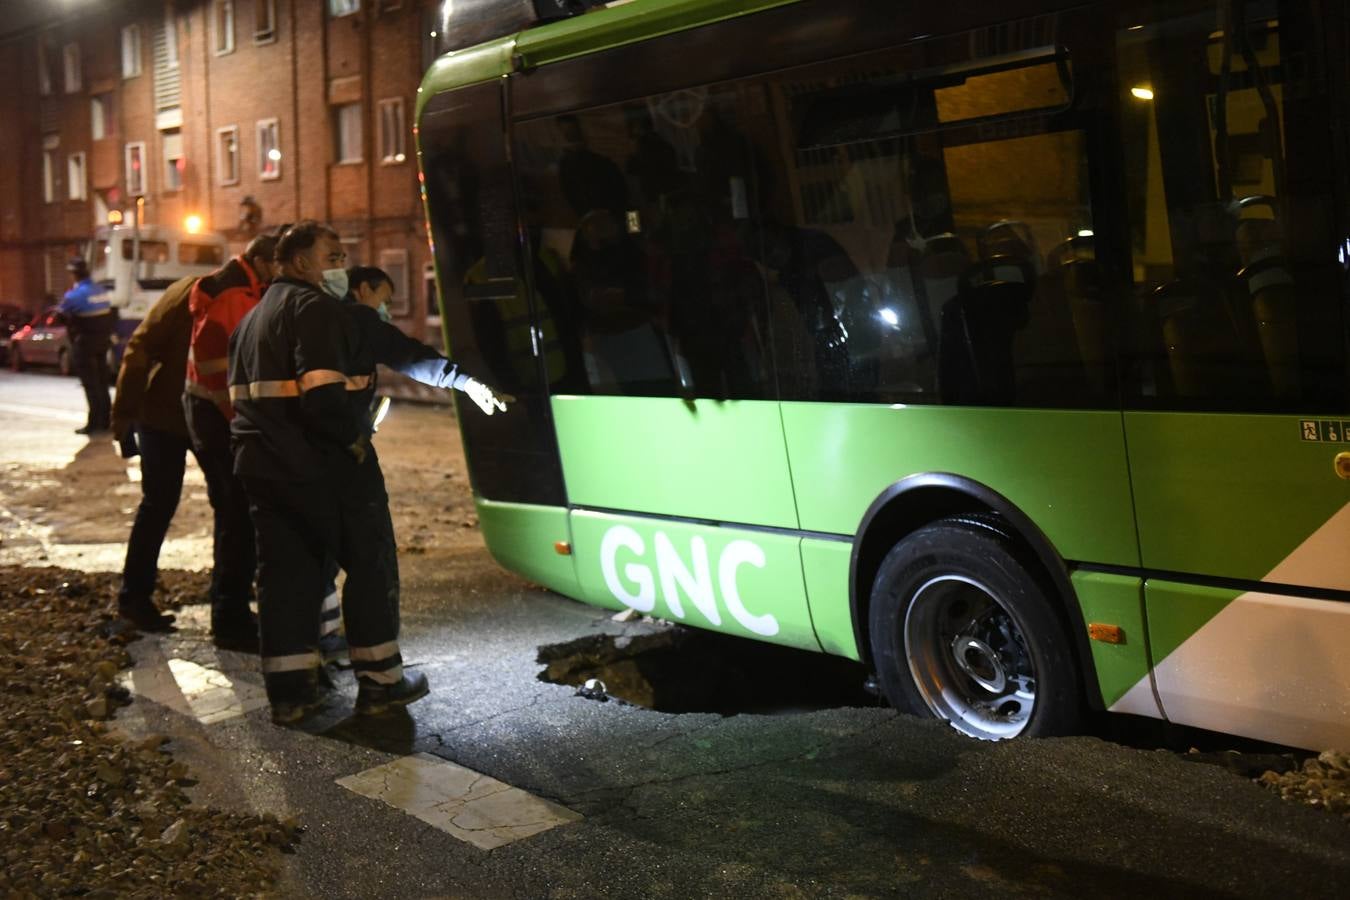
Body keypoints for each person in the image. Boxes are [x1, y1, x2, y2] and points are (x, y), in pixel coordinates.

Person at [228, 222, 507, 724]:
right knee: (371, 564)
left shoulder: (252, 319)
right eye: (332, 256)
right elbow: (323, 391)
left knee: (288, 577)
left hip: (263, 469)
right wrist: (352, 440)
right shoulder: (314, 309)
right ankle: (381, 682)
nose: (342, 265)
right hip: (324, 466)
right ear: (299, 264)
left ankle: (292, 694)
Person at [183, 232, 280, 651]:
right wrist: (244, 424)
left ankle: (231, 606)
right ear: (262, 262)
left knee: (236, 516)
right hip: (218, 421)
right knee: (237, 517)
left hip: (216, 418)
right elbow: (219, 373)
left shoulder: (244, 290)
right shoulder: (233, 297)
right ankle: (230, 617)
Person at [109, 275, 198, 632]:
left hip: (184, 413)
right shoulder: (195, 293)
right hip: (170, 415)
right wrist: (124, 418)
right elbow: (139, 349)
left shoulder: (194, 290)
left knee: (228, 503)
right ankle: (134, 599)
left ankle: (135, 599)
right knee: (160, 504)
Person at [58, 258, 116, 435]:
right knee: (102, 383)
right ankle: (106, 421)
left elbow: (62, 315)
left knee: (91, 385)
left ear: (74, 274)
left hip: (85, 344)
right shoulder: (101, 291)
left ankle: (94, 424)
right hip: (103, 342)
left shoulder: (73, 295)